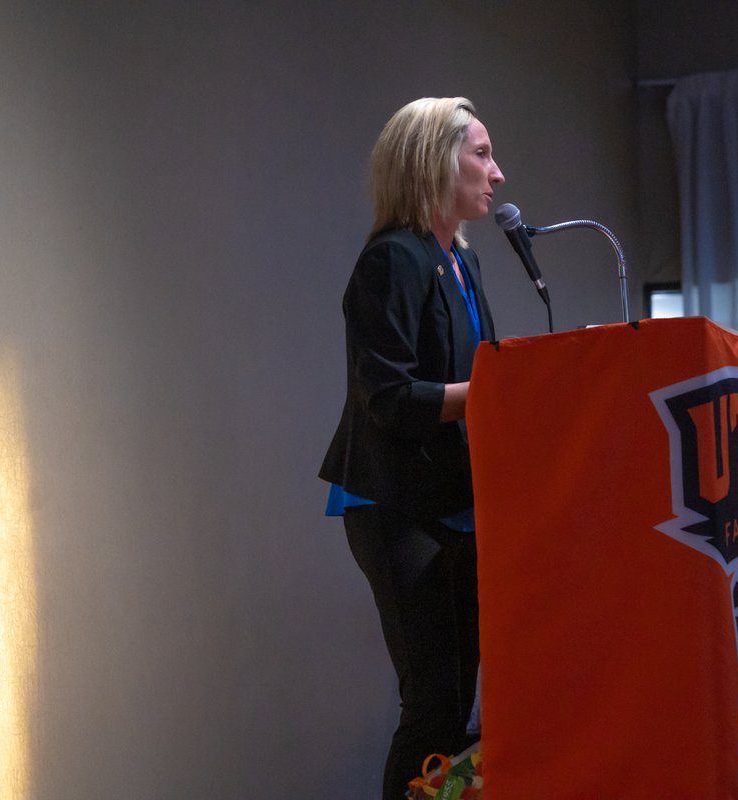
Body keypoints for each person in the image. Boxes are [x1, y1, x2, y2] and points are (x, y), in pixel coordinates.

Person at [319, 97, 505, 800]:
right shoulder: (391, 261)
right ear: (434, 162)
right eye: (482, 154)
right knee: (432, 700)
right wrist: (494, 390)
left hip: (449, 501)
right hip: (393, 502)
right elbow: (390, 397)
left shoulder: (462, 261)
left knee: (457, 700)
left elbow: (485, 379)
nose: (498, 173)